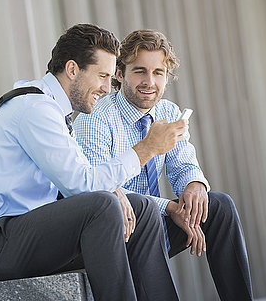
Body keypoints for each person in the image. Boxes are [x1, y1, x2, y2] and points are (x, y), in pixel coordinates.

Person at [0, 24, 189, 300]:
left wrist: (115, 189)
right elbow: (82, 185)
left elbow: (80, 175)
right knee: (102, 205)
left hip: (24, 234)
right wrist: (146, 149)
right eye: (102, 76)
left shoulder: (54, 110)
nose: (106, 87)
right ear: (73, 69)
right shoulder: (35, 110)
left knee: (143, 208)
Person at [73, 29, 253, 300]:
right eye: (139, 71)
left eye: (158, 72)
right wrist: (168, 206)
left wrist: (194, 186)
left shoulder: (167, 112)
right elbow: (101, 191)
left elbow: (183, 161)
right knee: (144, 214)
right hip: (119, 233)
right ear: (119, 75)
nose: (149, 82)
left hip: (154, 225)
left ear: (167, 78)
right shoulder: (95, 118)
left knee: (219, 206)